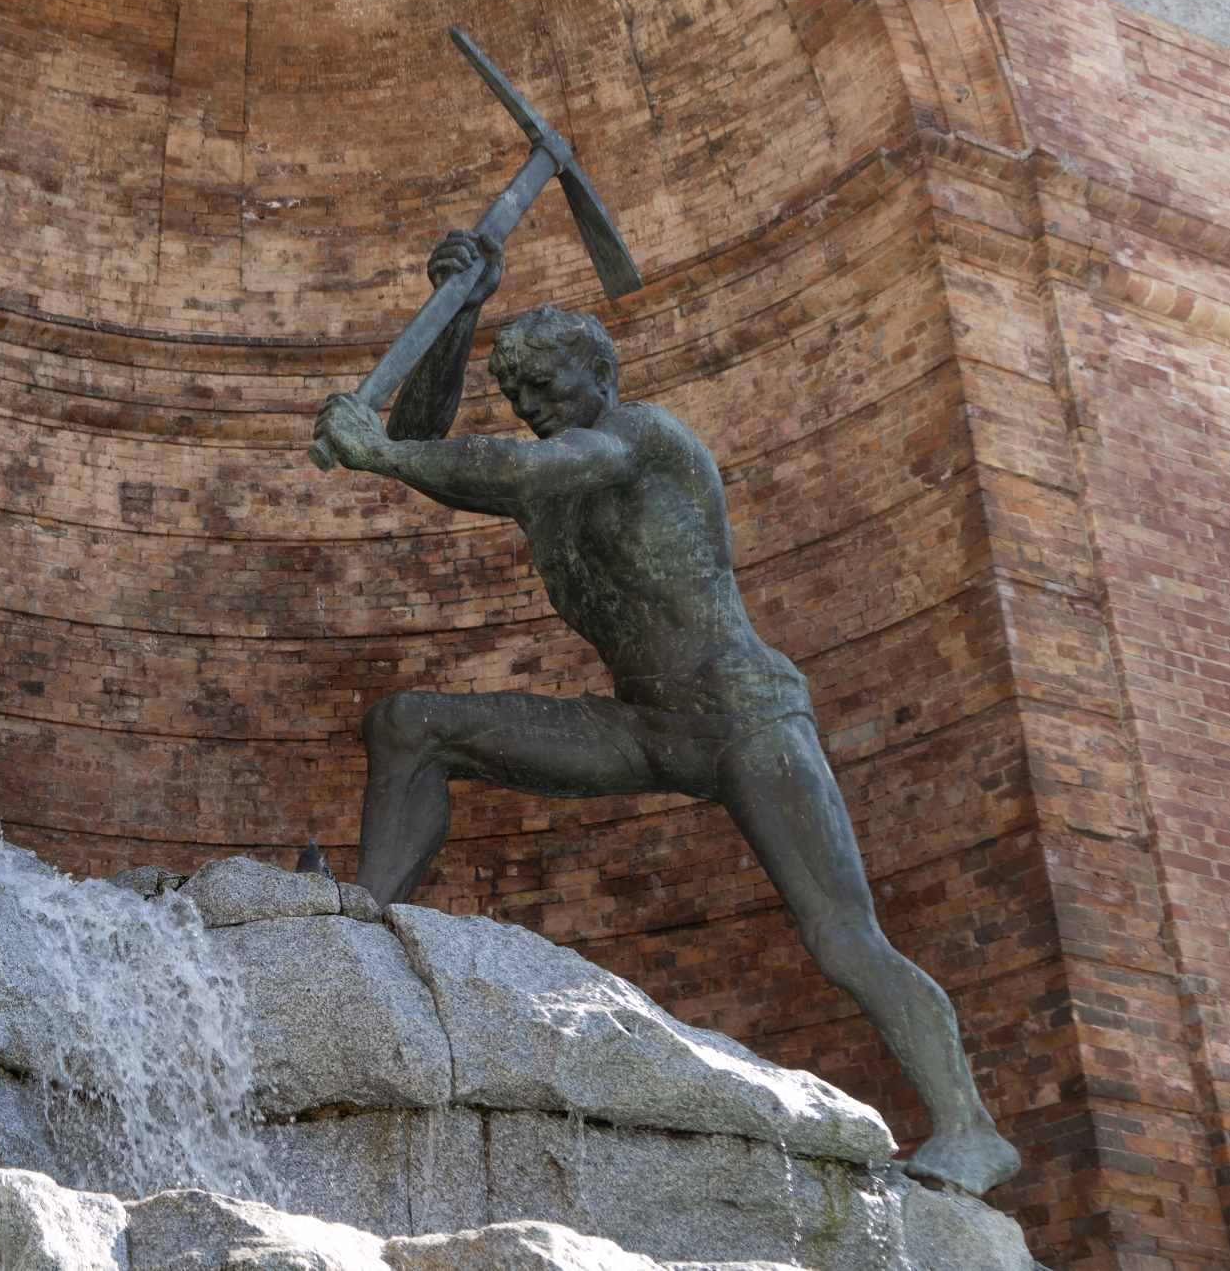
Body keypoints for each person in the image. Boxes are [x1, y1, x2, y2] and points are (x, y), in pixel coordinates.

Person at [311, 230, 1023, 1196]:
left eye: (549, 389)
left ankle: (970, 1127)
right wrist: (460, 317)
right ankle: (363, 924)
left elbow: (488, 465)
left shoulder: (637, 438)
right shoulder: (545, 480)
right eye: (519, 397)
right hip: (646, 726)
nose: (531, 410)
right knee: (407, 723)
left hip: (744, 714)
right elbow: (431, 442)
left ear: (598, 373)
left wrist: (383, 455)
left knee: (840, 933)